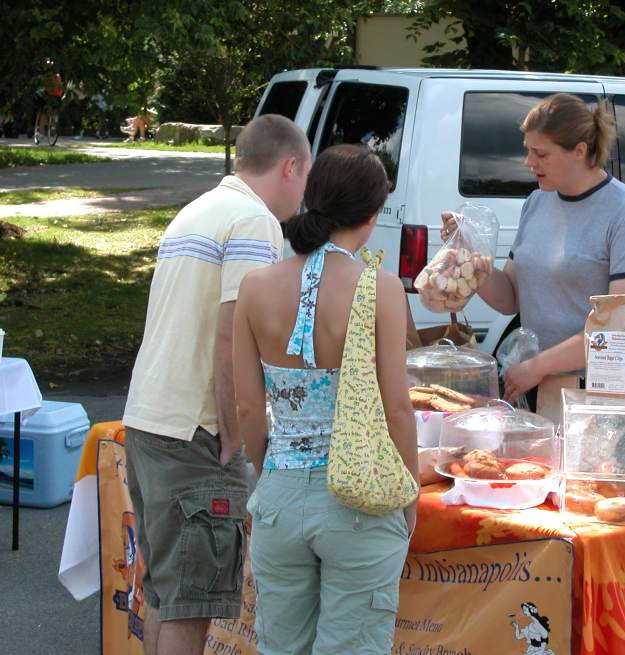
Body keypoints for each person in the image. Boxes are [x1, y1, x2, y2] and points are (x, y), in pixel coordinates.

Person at [122, 113, 311, 655]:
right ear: (290, 166)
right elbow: (232, 337)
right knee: (192, 601)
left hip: (150, 419)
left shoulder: (197, 210)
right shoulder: (254, 223)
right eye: (304, 177)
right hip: (197, 432)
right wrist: (236, 438)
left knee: (166, 596)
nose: (302, 193)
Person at [233, 144, 419, 655]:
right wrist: (410, 491)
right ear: (374, 213)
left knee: (280, 646)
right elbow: (397, 407)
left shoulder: (255, 287)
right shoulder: (379, 288)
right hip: (360, 496)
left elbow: (248, 408)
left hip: (280, 493)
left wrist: (269, 472)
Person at [443, 93, 625, 403]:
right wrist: (470, 252)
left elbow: (621, 330)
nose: (529, 163)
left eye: (541, 154)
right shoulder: (537, 201)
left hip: (600, 388)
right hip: (539, 380)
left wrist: (539, 366)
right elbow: (510, 299)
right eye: (528, 151)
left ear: (579, 151)